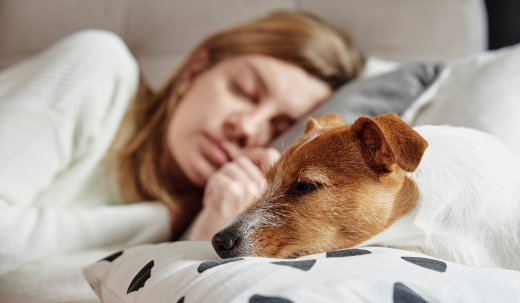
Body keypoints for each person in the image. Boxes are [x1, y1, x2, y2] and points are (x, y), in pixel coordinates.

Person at [0, 11, 365, 301]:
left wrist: (200, 243)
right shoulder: (100, 69)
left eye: (277, 126)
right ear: (194, 71)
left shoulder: (218, 223)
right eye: (243, 90)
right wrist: (167, 218)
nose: (248, 127)